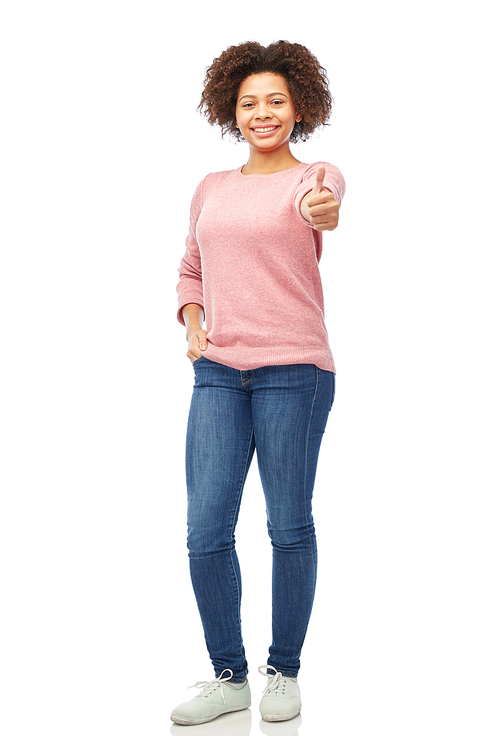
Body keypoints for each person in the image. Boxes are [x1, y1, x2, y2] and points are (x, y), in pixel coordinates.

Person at [170, 40, 346, 726]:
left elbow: (324, 208)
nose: (262, 112)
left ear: (298, 107)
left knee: (286, 523)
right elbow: (190, 268)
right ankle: (228, 677)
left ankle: (285, 672)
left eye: (275, 100)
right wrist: (192, 325)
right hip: (217, 372)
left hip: (294, 372)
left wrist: (322, 211)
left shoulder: (317, 176)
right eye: (249, 103)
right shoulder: (211, 187)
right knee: (205, 529)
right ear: (230, 111)